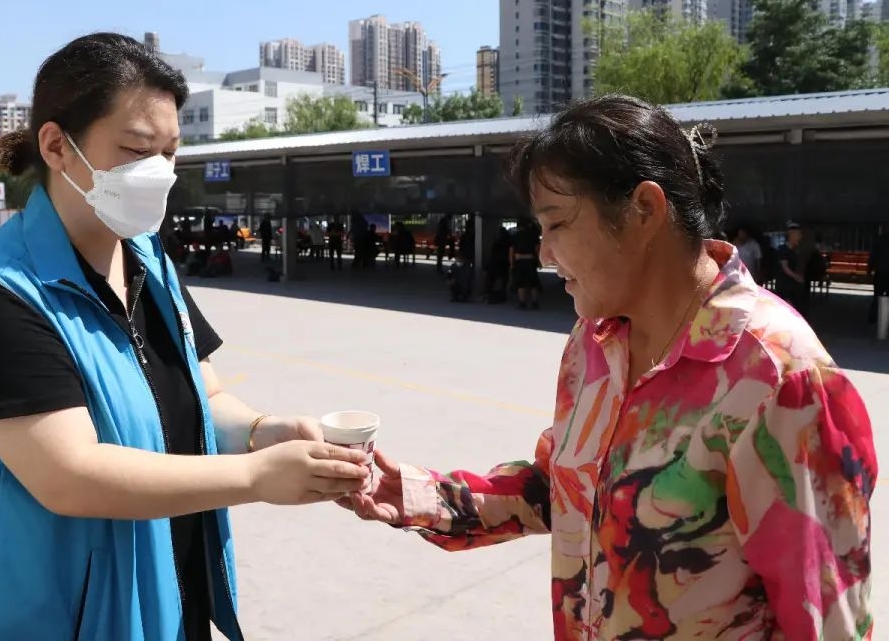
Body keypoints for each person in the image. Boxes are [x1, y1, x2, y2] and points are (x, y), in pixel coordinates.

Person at [344, 95, 876, 640]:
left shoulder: (779, 379)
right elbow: (561, 487)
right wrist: (416, 495)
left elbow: (828, 619)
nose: (544, 254)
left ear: (644, 210)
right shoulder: (596, 340)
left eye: (556, 224)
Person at [0, 33, 368, 641]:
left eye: (170, 152)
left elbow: (205, 396)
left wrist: (266, 432)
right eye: (136, 150)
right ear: (56, 146)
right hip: (58, 621)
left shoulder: (148, 261)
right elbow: (70, 476)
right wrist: (256, 477)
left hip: (165, 600)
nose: (157, 172)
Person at [508, 218, 541, 309]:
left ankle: (522, 303)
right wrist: (539, 261)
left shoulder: (515, 236)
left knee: (520, 283)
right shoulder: (533, 236)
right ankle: (534, 303)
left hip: (519, 261)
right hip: (530, 260)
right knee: (533, 283)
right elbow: (537, 249)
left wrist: (511, 264)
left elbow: (511, 251)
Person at [776, 221, 807, 315]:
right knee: (787, 311)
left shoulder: (798, 250)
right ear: (791, 235)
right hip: (785, 286)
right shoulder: (783, 249)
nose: (800, 237)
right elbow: (785, 266)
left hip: (796, 288)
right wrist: (795, 276)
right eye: (798, 234)